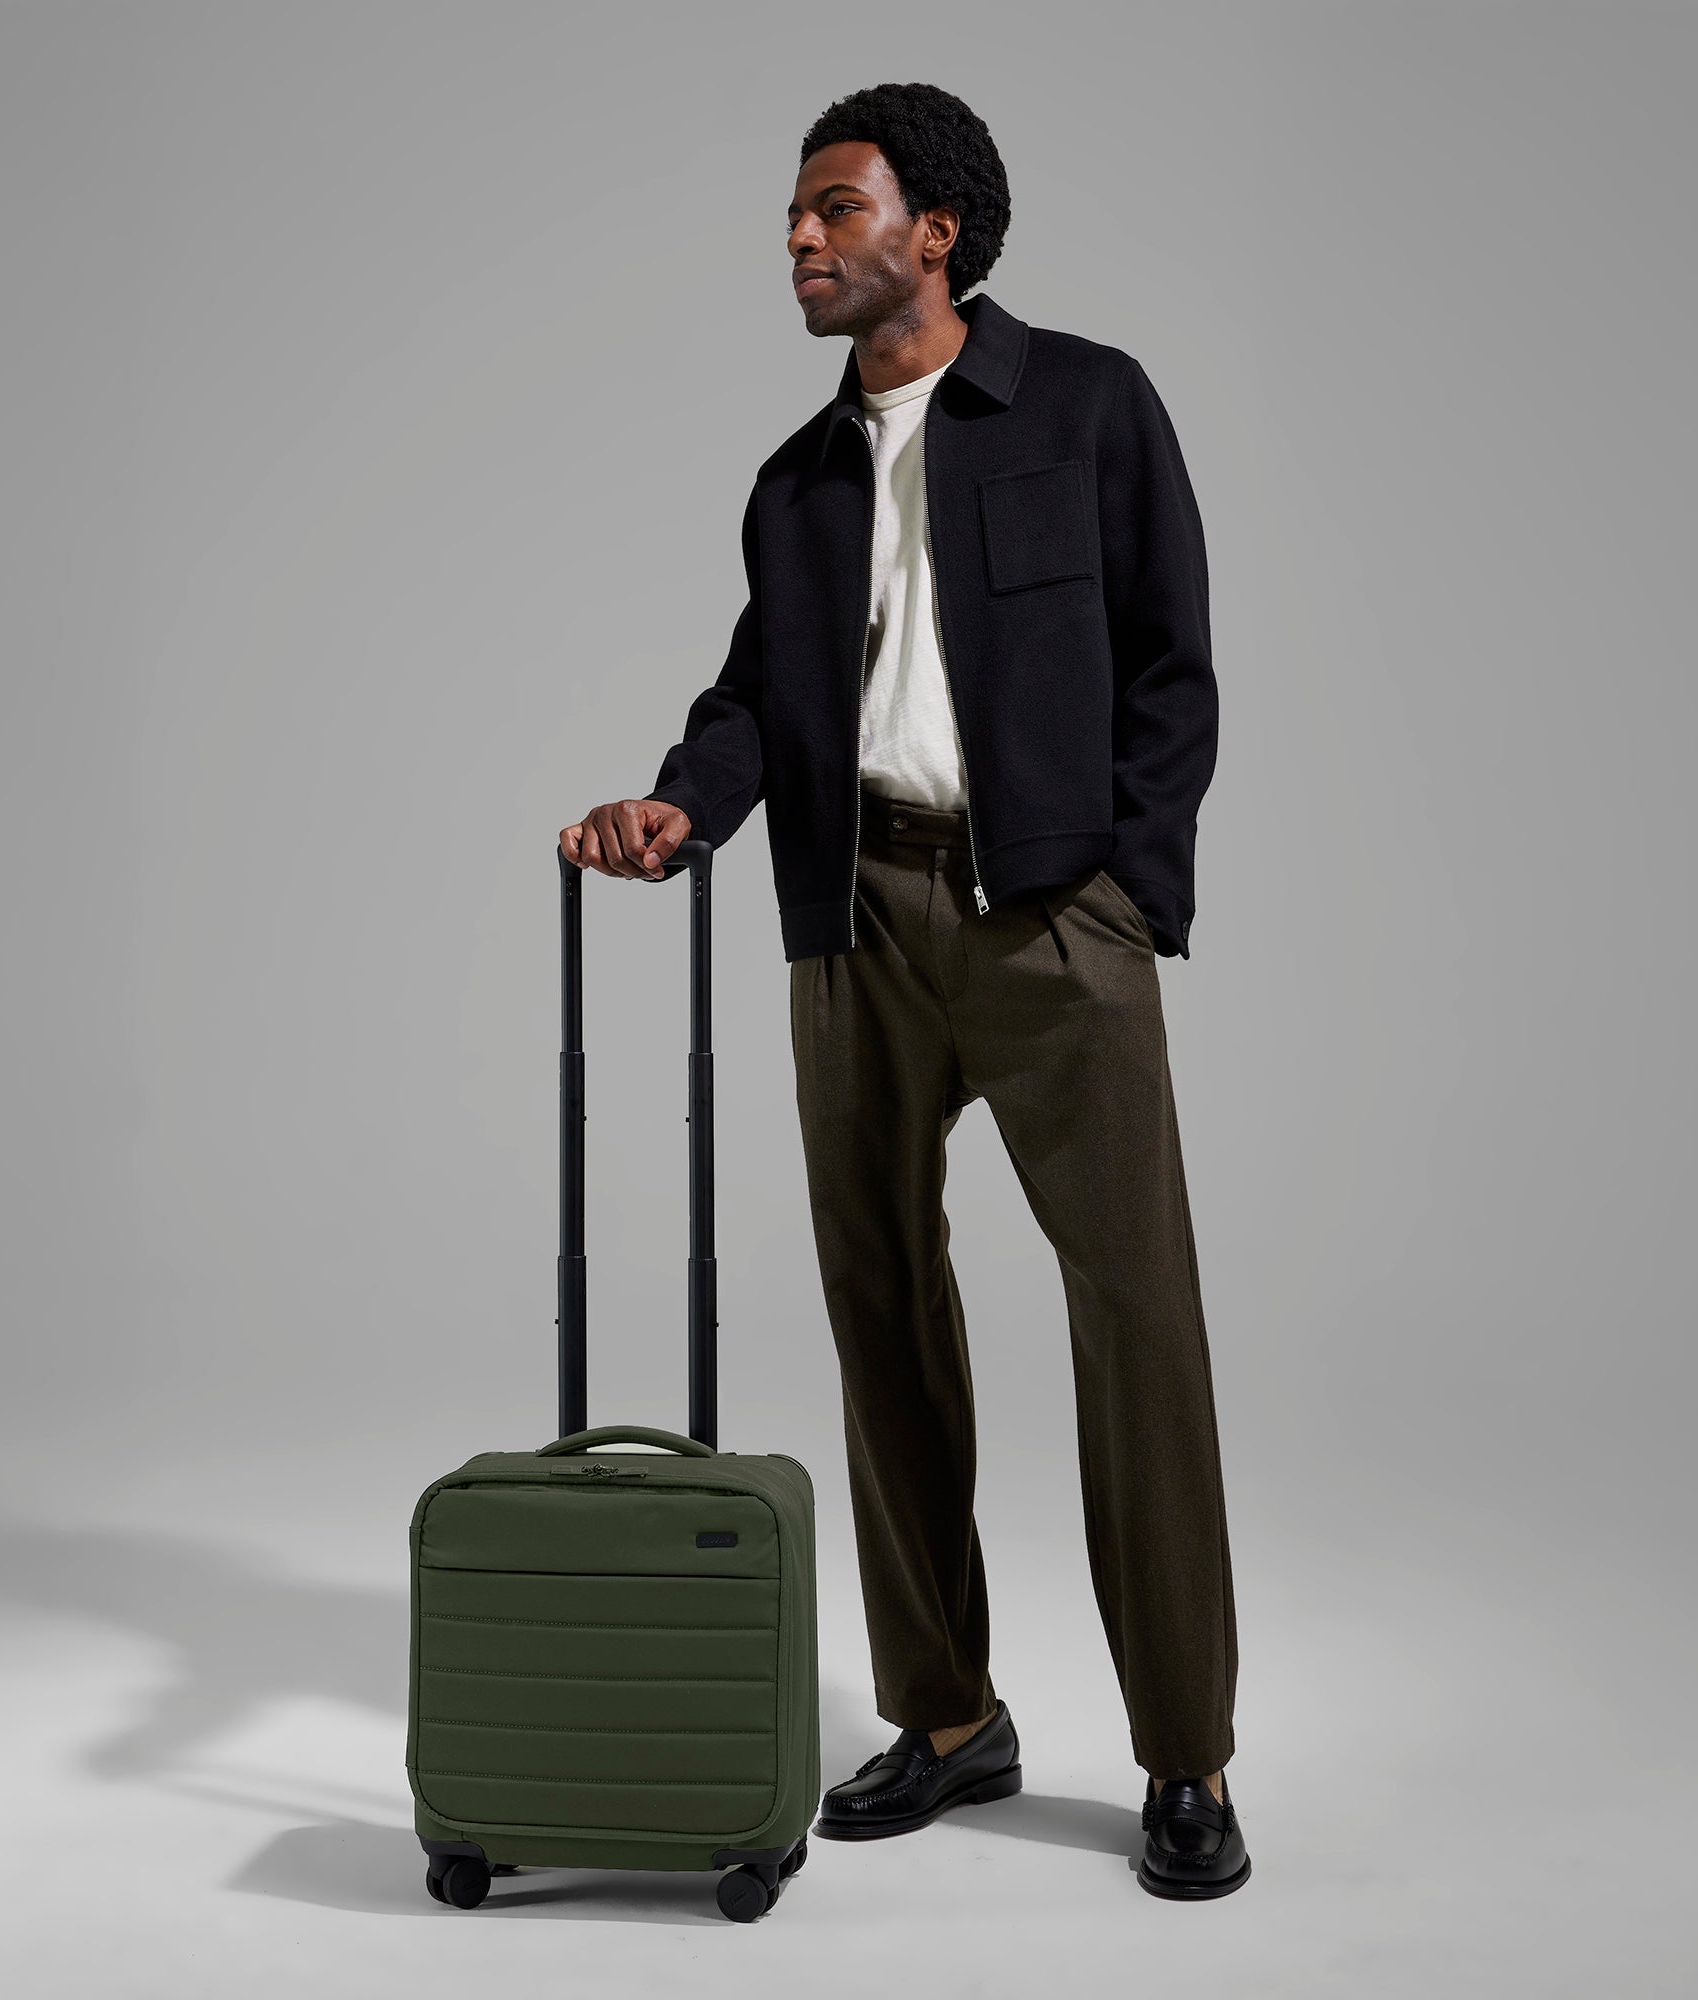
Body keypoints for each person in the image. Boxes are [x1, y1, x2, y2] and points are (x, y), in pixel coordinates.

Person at [560, 81, 1243, 1901]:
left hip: (1044, 921)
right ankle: (948, 1716)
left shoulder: (1087, 403)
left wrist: (1125, 901)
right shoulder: (796, 483)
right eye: (795, 217)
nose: (800, 240)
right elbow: (751, 705)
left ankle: (1186, 1754)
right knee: (882, 1314)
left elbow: (1174, 667)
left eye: (831, 210)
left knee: (1139, 1324)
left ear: (931, 228)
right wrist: (676, 808)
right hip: (848, 919)